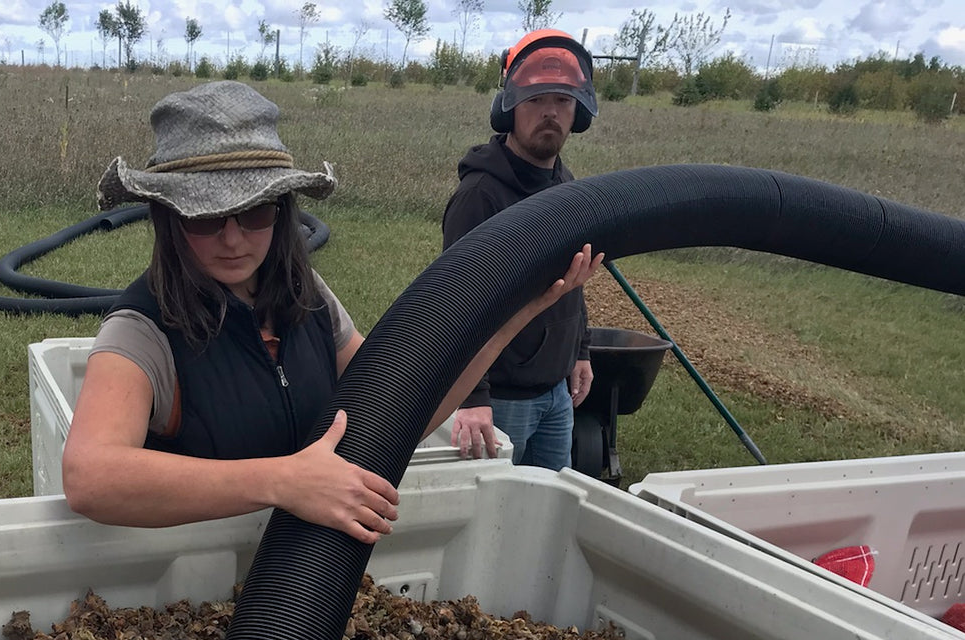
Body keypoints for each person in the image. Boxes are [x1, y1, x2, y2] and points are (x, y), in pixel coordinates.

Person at [63, 80, 600, 543]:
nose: (232, 238)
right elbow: (91, 476)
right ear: (169, 220)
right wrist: (283, 481)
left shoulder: (308, 296)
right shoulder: (142, 327)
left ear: (283, 210)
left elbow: (399, 408)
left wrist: (514, 314)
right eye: (205, 218)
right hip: (188, 577)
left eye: (254, 212)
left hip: (311, 572)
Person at [441, 29, 600, 469]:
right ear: (508, 108)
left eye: (563, 101)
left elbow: (575, 281)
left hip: (556, 394)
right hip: (502, 398)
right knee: (499, 517)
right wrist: (473, 396)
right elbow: (456, 303)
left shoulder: (567, 187)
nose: (550, 113)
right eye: (535, 100)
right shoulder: (480, 196)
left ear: (578, 114)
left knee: (546, 511)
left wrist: (580, 351)